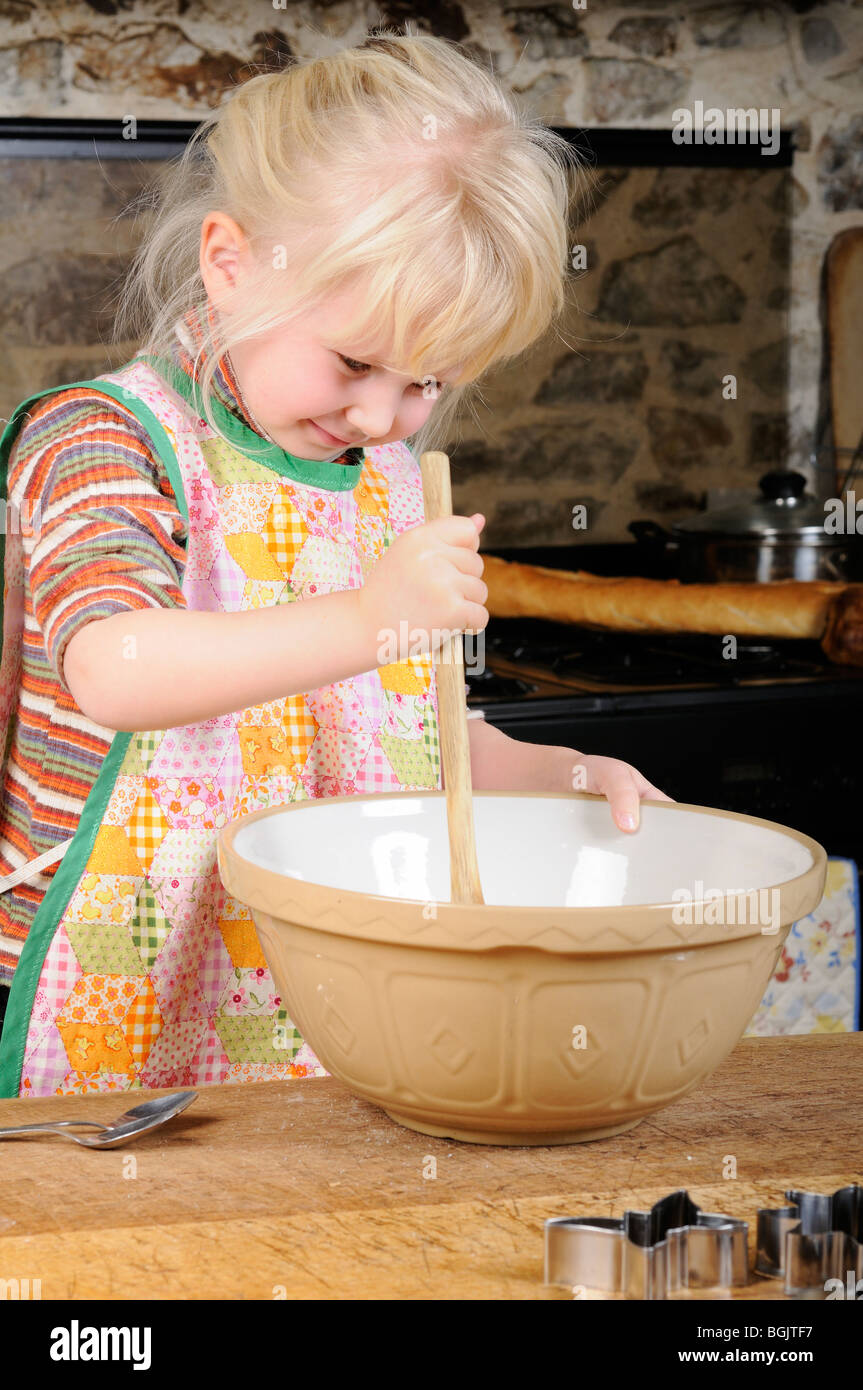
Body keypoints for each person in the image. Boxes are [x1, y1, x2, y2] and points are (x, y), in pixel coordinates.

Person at [0, 31, 671, 1097]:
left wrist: (560, 780)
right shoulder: (103, 439)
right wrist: (370, 612)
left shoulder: (387, 475)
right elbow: (115, 668)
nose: (377, 414)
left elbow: (412, 730)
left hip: (309, 996)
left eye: (427, 381)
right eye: (356, 361)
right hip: (112, 993)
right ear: (231, 263)